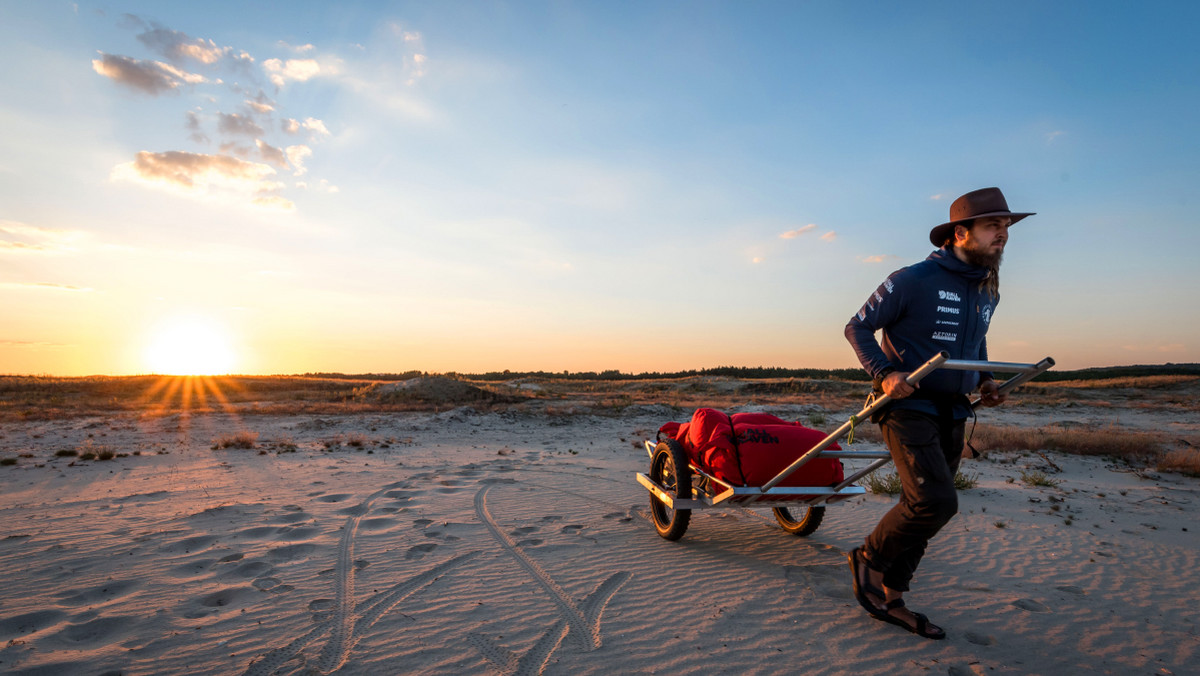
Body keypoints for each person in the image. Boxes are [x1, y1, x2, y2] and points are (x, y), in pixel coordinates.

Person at [843, 187, 1034, 640]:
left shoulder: (988, 288)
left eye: (1006, 227)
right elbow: (857, 326)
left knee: (933, 508)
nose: (1003, 235)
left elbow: (975, 343)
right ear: (959, 233)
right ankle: (867, 560)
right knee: (935, 500)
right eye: (994, 226)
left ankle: (894, 596)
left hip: (954, 409)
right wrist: (886, 372)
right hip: (905, 405)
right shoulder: (911, 279)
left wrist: (985, 381)